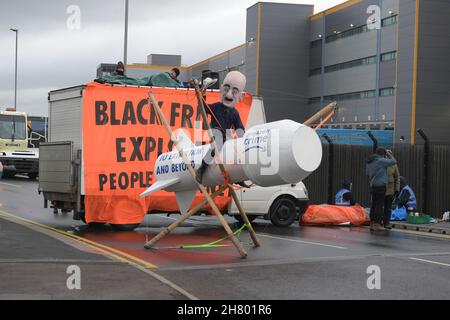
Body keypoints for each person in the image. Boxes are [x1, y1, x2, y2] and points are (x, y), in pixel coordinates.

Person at [196, 71, 247, 184]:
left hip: (227, 136)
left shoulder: (234, 113)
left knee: (235, 152)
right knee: (217, 146)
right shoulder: (216, 107)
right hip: (216, 132)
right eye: (227, 89)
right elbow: (203, 107)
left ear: (240, 96)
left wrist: (243, 141)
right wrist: (202, 94)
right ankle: (202, 168)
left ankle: (238, 178)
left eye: (234, 92)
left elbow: (239, 128)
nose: (229, 95)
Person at [366, 147, 397, 231]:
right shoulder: (380, 161)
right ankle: (377, 224)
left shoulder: (370, 161)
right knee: (379, 205)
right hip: (381, 186)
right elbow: (394, 161)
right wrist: (388, 153)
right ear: (383, 154)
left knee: (373, 205)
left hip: (373, 185)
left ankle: (372, 223)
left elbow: (367, 173)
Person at [383, 151, 400, 229]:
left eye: (388, 155)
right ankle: (378, 222)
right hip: (381, 189)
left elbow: (397, 177)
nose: (387, 157)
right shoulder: (381, 163)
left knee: (388, 208)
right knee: (379, 207)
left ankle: (386, 223)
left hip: (390, 190)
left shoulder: (394, 166)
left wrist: (397, 189)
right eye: (385, 155)